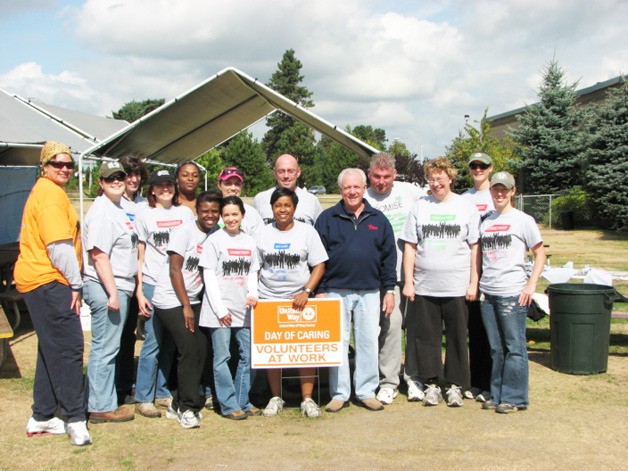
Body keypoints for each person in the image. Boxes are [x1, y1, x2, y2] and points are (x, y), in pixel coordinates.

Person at [14, 141, 92, 446]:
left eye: (69, 164)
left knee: (50, 347)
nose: (64, 169)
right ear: (44, 166)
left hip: (41, 279)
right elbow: (58, 246)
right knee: (70, 347)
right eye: (57, 163)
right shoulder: (48, 194)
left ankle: (43, 415)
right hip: (49, 280)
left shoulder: (47, 192)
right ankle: (75, 418)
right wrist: (76, 283)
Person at [314, 168, 397, 413]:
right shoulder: (327, 218)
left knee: (368, 341)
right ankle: (340, 393)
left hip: (370, 291)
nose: (352, 191)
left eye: (356, 187)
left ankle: (366, 391)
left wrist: (389, 289)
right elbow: (318, 259)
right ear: (341, 190)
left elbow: (388, 258)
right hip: (335, 291)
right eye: (347, 187)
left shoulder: (378, 219)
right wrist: (320, 289)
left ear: (363, 189)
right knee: (337, 343)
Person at [401, 157, 480, 408]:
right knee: (427, 338)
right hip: (425, 286)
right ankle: (432, 383)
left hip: (457, 285)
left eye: (441, 178)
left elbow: (474, 247)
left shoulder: (465, 206)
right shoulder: (420, 206)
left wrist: (473, 282)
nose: (436, 183)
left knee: (457, 337)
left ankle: (456, 385)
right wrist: (409, 282)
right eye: (432, 179)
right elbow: (410, 247)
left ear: (450, 178)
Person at [152, 192, 222, 428]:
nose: (210, 215)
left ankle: (176, 403)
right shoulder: (183, 232)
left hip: (193, 298)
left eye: (215, 211)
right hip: (170, 298)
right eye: (205, 211)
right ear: (197, 211)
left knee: (202, 348)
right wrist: (186, 306)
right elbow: (175, 270)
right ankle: (187, 408)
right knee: (189, 349)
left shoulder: (215, 234)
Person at [257, 188, 328, 418]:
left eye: (287, 205)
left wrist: (307, 291)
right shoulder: (262, 233)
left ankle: (307, 399)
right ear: (272, 208)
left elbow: (319, 265)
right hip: (268, 299)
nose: (283, 210)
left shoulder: (307, 232)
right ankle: (276, 397)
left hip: (299, 301)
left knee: (303, 351)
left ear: (295, 208)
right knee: (272, 353)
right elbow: (254, 267)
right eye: (278, 205)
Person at [479, 172, 546, 414]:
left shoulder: (523, 220)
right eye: (495, 189)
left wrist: (531, 286)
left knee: (514, 346)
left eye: (504, 190)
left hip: (512, 294)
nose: (499, 193)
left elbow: (540, 254)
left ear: (512, 191)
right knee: (496, 348)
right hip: (488, 294)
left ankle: (515, 397)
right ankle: (497, 395)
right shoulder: (485, 220)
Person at [364, 152, 425, 405]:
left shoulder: (410, 192)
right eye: (376, 177)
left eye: (386, 177)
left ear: (394, 175)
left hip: (413, 271)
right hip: (382, 277)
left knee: (416, 327)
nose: (381, 182)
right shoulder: (364, 196)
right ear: (369, 175)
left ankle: (414, 377)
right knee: (390, 326)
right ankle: (388, 380)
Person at [133, 169, 194, 418]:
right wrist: (139, 289)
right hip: (152, 283)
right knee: (153, 342)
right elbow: (140, 254)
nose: (165, 189)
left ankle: (161, 391)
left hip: (176, 285)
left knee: (170, 342)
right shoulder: (144, 215)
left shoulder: (185, 214)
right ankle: (144, 397)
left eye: (169, 184)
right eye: (160, 186)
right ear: (153, 190)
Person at [83, 161, 138, 424]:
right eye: (110, 178)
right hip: (108, 285)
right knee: (105, 348)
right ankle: (100, 406)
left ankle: (100, 401)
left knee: (109, 346)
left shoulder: (116, 208)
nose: (116, 181)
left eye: (120, 177)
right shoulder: (103, 211)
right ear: (101, 183)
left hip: (118, 284)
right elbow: (99, 255)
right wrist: (112, 293)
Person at [199, 196, 260, 420]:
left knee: (249, 355)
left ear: (242, 215)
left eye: (235, 214)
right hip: (219, 313)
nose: (231, 219)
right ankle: (228, 404)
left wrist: (253, 293)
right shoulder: (214, 241)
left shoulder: (250, 241)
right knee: (222, 358)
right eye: (226, 215)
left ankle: (243, 400)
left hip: (243, 310)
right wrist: (220, 309)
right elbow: (209, 276)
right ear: (222, 218)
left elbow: (253, 272)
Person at [461, 151, 495, 403]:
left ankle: (493, 382)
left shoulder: (499, 193)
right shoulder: (465, 199)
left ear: (490, 168)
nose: (478, 169)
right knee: (474, 328)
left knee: (491, 329)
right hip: (470, 268)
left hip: (493, 268)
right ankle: (476, 381)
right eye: (474, 166)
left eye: (482, 166)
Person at [115, 154, 148, 405]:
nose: (133, 179)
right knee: (122, 333)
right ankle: (119, 386)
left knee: (137, 333)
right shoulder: (113, 204)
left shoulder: (144, 204)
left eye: (137, 174)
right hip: (120, 277)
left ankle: (131, 382)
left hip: (142, 277)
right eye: (128, 174)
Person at [253, 154, 322, 225]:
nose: (286, 176)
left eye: (290, 171)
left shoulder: (312, 201)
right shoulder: (260, 199)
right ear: (274, 172)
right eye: (281, 171)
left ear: (298, 172)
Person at [217, 166, 264, 237]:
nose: (233, 188)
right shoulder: (212, 211)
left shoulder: (252, 214)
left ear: (242, 186)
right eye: (228, 183)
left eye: (237, 184)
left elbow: (260, 241)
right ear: (220, 185)